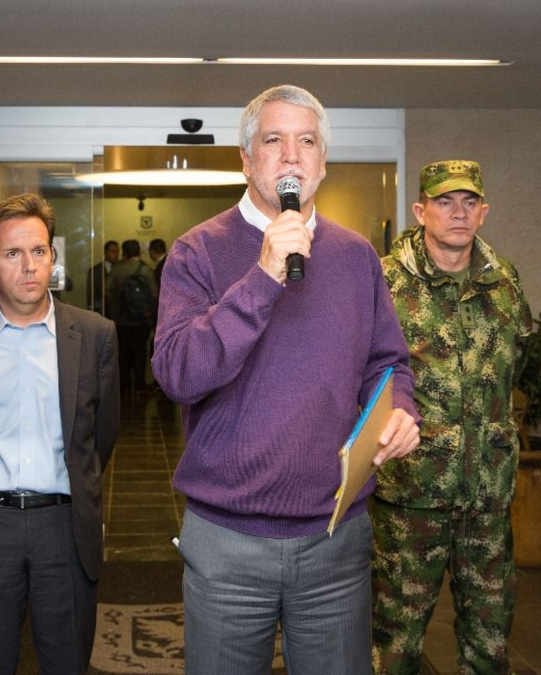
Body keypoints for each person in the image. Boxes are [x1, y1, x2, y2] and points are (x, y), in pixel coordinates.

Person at [151, 84, 421, 674]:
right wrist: (263, 277)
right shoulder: (197, 252)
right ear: (247, 160)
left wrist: (400, 407)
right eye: (274, 140)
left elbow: (388, 363)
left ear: (323, 163)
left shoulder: (356, 256)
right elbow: (178, 373)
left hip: (334, 539)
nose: (292, 156)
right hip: (227, 542)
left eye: (308, 142)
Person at [0, 193, 120, 675]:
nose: (29, 266)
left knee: (67, 663)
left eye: (38, 251)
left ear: (52, 256)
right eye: (12, 253)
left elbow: (102, 436)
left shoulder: (95, 335)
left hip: (65, 529)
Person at [373, 160, 532, 675]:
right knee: (395, 643)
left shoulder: (504, 281)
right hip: (411, 495)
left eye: (469, 202)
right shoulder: (385, 280)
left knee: (490, 642)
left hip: (486, 495)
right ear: (421, 211)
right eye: (444, 202)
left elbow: (515, 364)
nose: (458, 213)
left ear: (484, 212)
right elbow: (359, 372)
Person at [107, 239, 157, 396]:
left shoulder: (117, 270)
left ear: (124, 252)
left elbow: (108, 292)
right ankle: (140, 386)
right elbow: (155, 295)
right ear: (139, 252)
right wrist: (148, 313)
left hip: (122, 320)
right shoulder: (147, 270)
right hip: (142, 320)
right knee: (140, 353)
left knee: (123, 354)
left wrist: (115, 314)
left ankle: (125, 387)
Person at [85, 239, 119, 315]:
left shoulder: (121, 269)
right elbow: (91, 294)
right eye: (113, 251)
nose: (116, 254)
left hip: (118, 313)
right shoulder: (95, 271)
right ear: (105, 252)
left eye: (117, 252)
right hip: (100, 310)